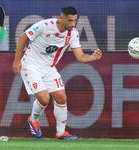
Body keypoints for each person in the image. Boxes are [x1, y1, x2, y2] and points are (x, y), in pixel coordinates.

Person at [12, 5, 102, 140]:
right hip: (30, 65)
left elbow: (81, 57)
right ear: (61, 19)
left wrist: (93, 57)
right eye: (70, 21)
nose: (73, 24)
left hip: (48, 68)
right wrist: (16, 61)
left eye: (75, 20)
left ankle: (61, 133)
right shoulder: (45, 25)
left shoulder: (73, 34)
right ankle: (33, 119)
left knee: (61, 97)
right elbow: (23, 38)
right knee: (44, 98)